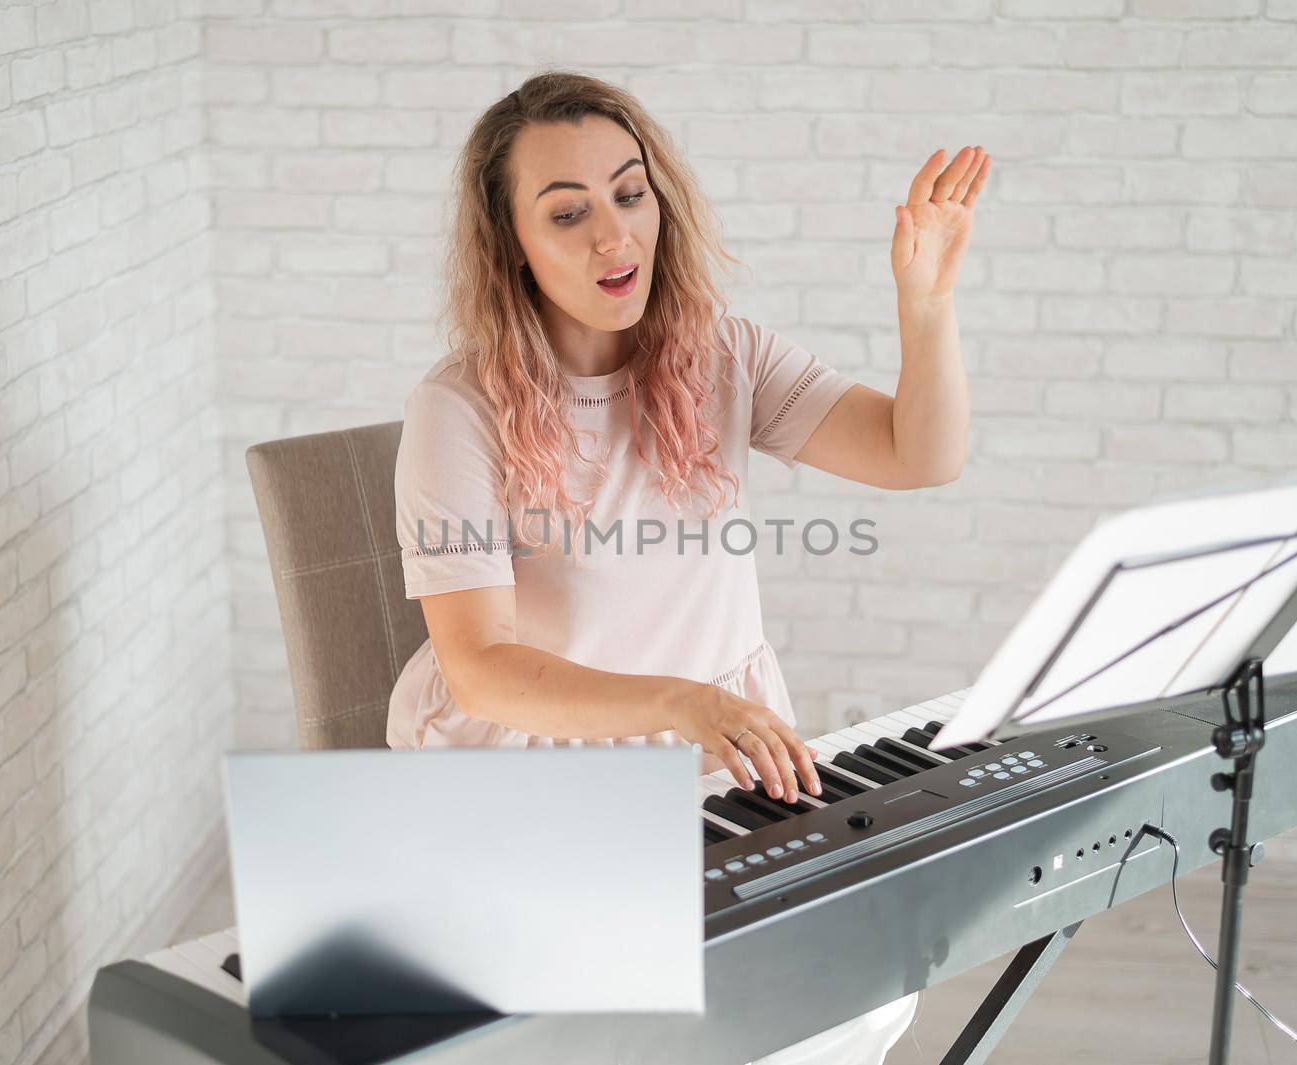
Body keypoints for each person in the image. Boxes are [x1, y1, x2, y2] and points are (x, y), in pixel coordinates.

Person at [387, 69, 986, 1065]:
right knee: (679, 1026)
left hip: (709, 767)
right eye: (567, 213)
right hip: (530, 774)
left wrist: (923, 306)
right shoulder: (457, 409)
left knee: (855, 999)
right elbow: (479, 665)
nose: (613, 235)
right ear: (512, 247)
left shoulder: (726, 356)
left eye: (629, 193)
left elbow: (917, 456)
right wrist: (684, 702)